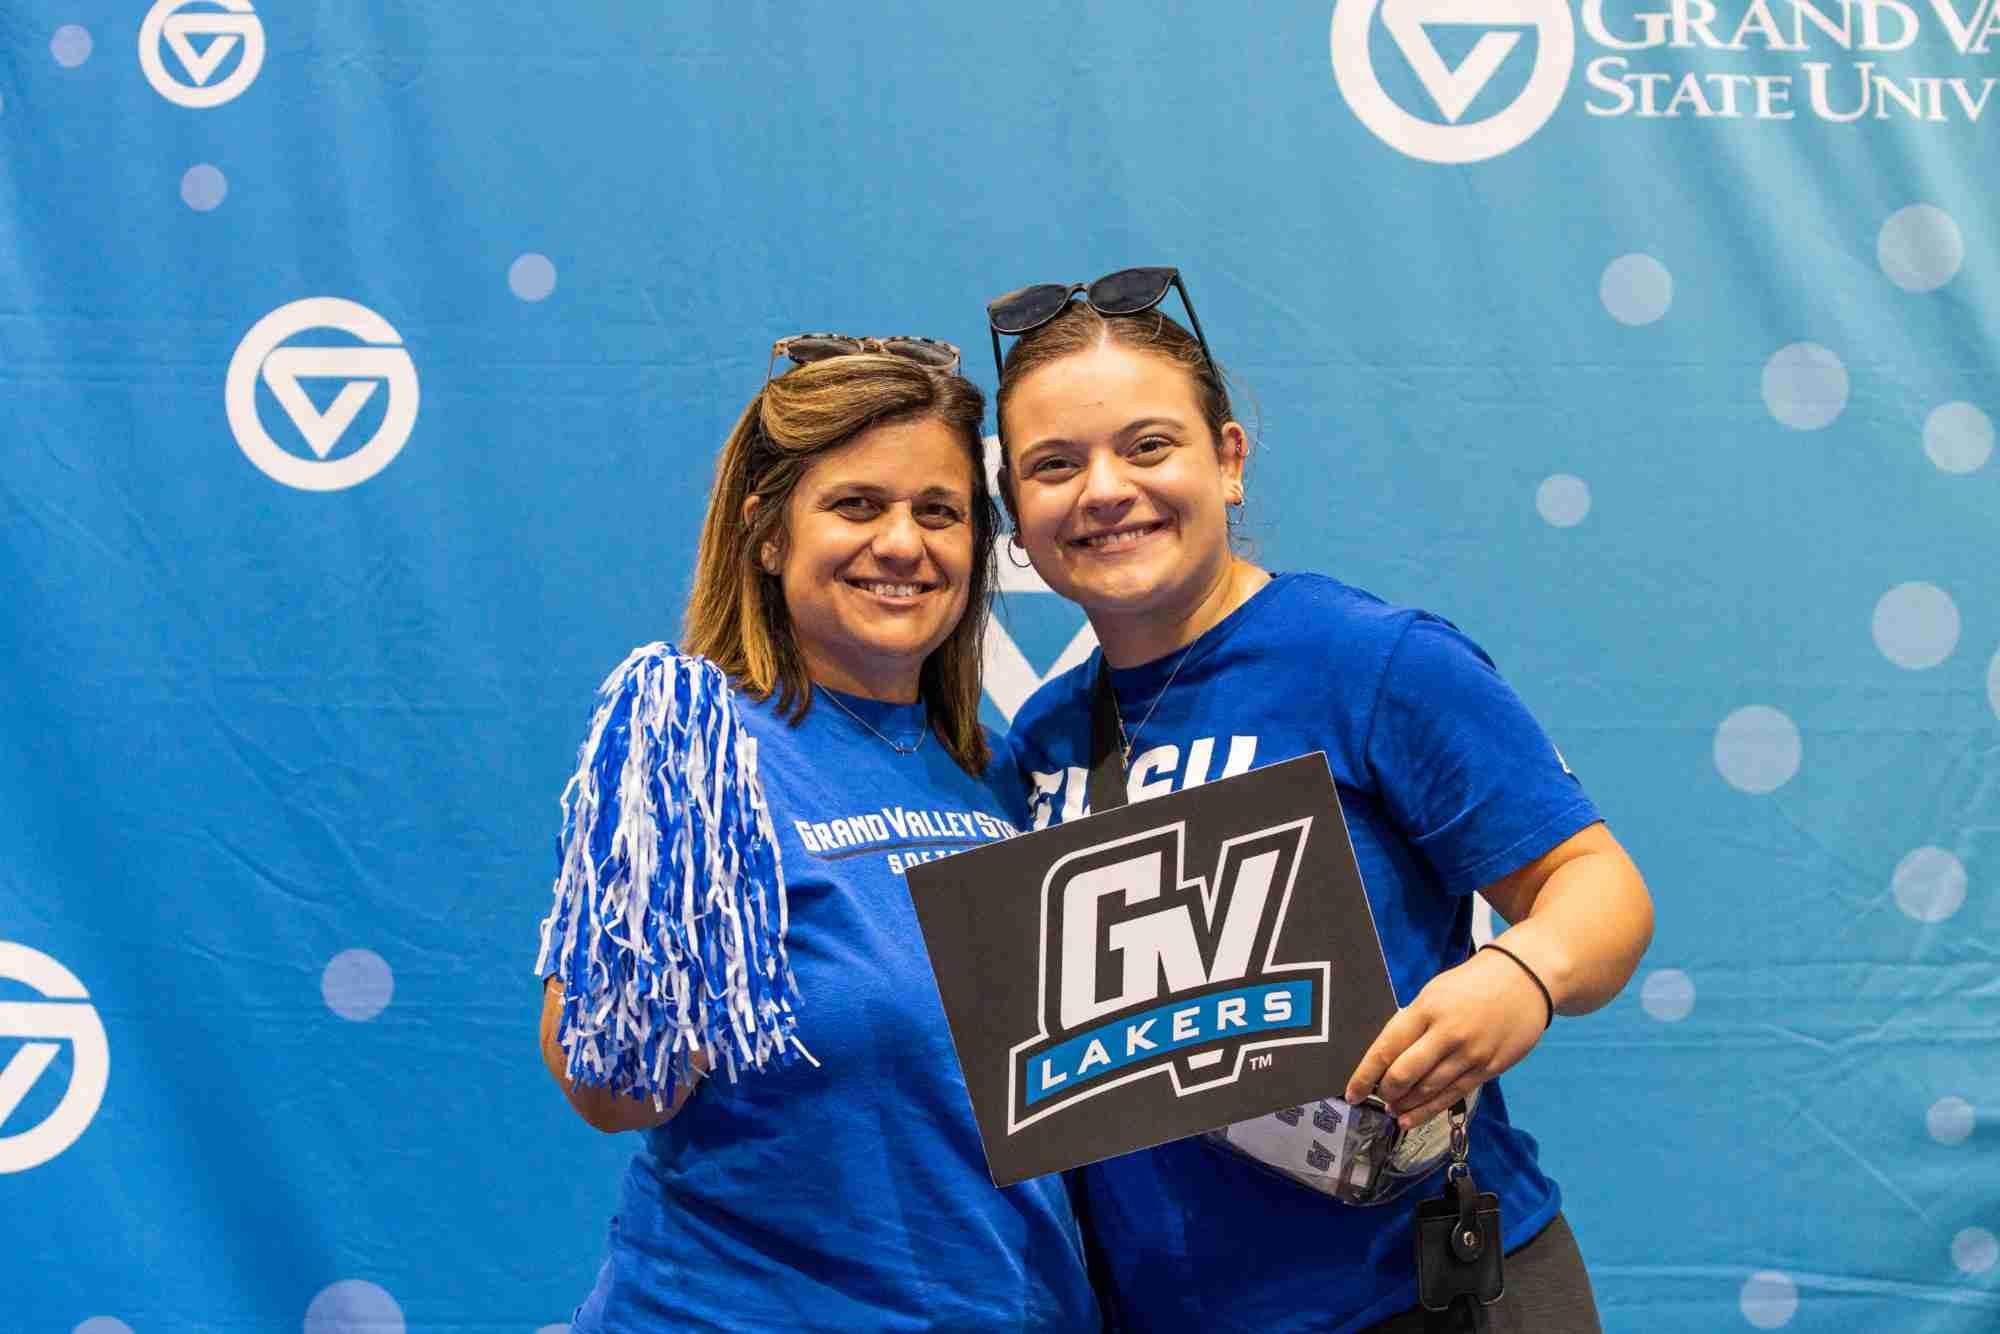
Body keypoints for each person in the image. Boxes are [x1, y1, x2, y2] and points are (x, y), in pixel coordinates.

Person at [987, 270, 1654, 1333]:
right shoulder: (1040, 739)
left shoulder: (1371, 661)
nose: (1104, 488)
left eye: (1147, 445)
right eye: (1054, 465)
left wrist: (1517, 973)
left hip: (1420, 1295)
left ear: (1229, 459)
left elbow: (1597, 888)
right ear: (1015, 512)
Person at [536, 335, 1100, 1332]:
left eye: (939, 511)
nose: (902, 543)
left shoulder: (996, 767)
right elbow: (610, 1089)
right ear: (765, 530)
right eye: (855, 505)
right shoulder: (693, 744)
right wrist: (663, 906)